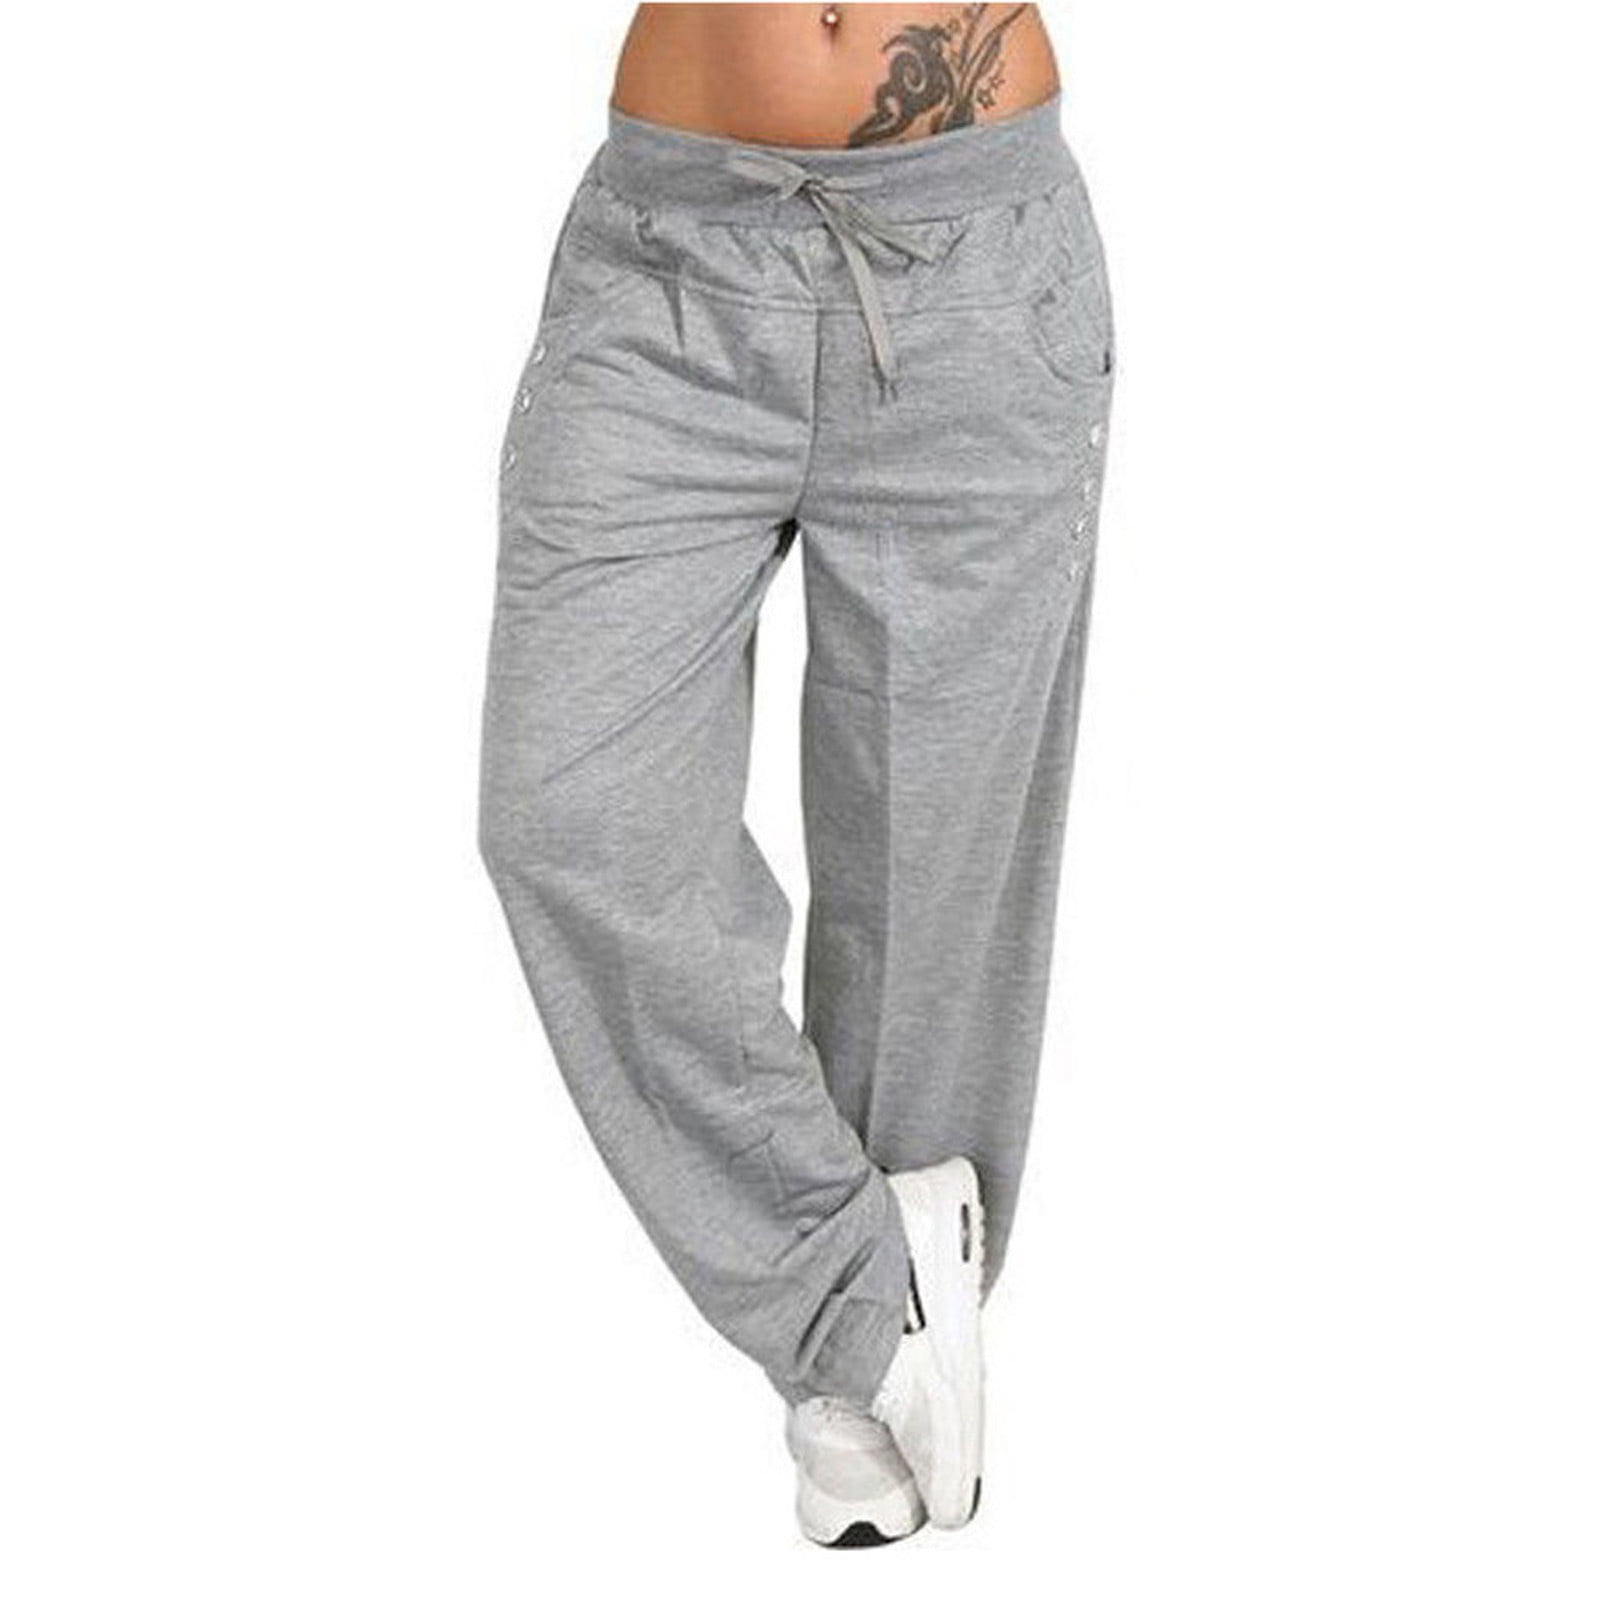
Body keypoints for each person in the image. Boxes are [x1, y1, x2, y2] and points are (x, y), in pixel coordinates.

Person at [479, 2, 1113, 1546]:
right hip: (668, 276)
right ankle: (866, 1306)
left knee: (928, 869)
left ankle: (855, 1392)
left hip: (971, 271)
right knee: (569, 812)